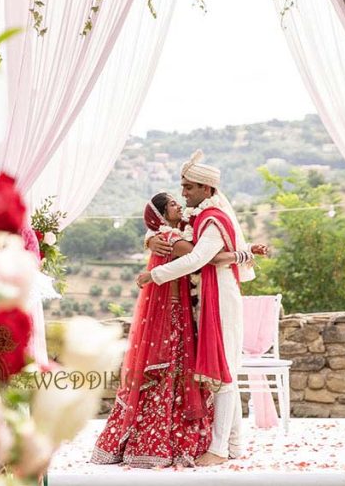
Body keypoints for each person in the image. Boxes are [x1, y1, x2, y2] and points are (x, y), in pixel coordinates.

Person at [90, 191, 262, 468]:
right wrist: (244, 253)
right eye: (171, 204)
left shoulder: (174, 233)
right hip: (174, 313)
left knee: (182, 371)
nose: (179, 204)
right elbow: (200, 256)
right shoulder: (172, 238)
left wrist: (150, 237)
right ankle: (168, 440)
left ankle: (192, 439)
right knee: (175, 369)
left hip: (183, 308)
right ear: (161, 216)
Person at [147, 150, 258, 466]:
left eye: (189, 187)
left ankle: (220, 449)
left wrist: (153, 275)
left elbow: (197, 259)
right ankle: (234, 444)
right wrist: (151, 241)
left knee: (222, 374)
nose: (183, 193)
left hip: (220, 296)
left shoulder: (212, 220)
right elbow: (167, 234)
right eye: (182, 186)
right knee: (227, 372)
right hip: (213, 295)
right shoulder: (201, 217)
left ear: (208, 189)